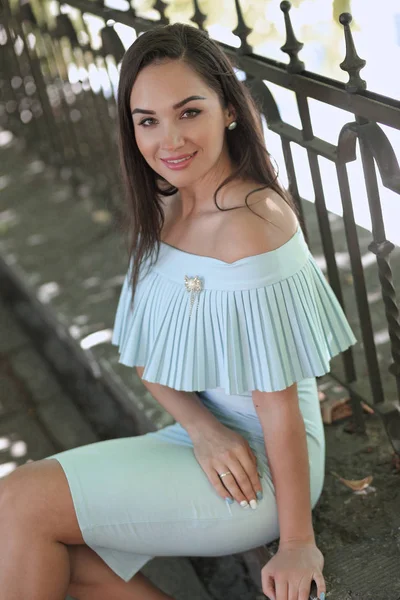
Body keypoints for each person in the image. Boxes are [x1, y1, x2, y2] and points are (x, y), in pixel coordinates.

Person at [0, 23, 356, 600]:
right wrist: (204, 429)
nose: (170, 139)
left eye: (189, 112)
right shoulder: (166, 207)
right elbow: (149, 361)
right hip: (206, 440)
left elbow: (280, 403)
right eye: (148, 120)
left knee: (18, 502)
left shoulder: (250, 224)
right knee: (32, 542)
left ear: (229, 110)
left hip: (267, 469)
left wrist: (296, 543)